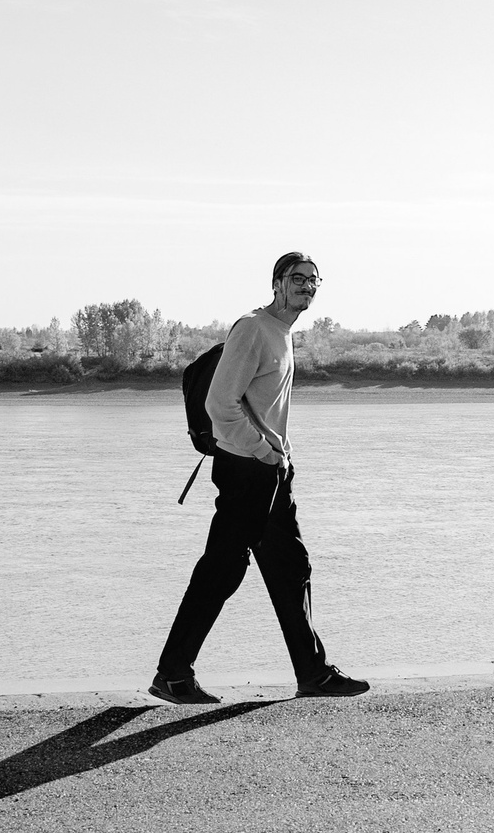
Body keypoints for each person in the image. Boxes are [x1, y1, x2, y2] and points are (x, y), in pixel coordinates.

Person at [151, 252, 368, 705]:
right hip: (246, 470)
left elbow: (263, 407)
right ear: (276, 283)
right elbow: (219, 404)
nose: (306, 286)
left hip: (271, 471)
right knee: (222, 570)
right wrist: (264, 451)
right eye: (297, 279)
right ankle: (172, 674)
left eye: (313, 280)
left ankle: (313, 673)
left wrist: (279, 455)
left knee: (291, 567)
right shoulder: (253, 328)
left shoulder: (284, 333)